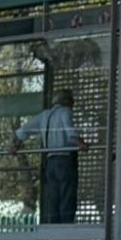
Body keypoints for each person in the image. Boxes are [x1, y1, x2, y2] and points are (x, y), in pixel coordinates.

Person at [12, 89, 87, 225]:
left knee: (53, 199)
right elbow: (70, 132)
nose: (72, 105)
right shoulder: (65, 112)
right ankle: (66, 231)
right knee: (67, 196)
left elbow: (24, 130)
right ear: (66, 101)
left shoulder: (44, 116)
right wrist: (81, 144)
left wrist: (15, 144)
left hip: (50, 162)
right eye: (72, 102)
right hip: (65, 159)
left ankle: (53, 230)